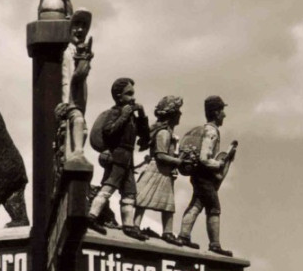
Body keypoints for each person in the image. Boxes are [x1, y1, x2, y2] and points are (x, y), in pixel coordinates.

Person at [165, 95, 236, 255]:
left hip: (197, 175)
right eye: (222, 111)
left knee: (196, 204)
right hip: (205, 176)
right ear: (216, 113)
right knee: (214, 208)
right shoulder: (211, 132)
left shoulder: (205, 129)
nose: (224, 115)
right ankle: (215, 245)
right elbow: (204, 158)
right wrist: (219, 164)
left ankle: (184, 236)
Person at [87, 77, 150, 236]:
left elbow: (144, 136)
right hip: (117, 156)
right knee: (109, 187)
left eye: (132, 93)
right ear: (118, 96)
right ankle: (92, 216)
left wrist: (142, 116)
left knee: (129, 193)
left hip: (128, 158)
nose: (132, 97)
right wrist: (123, 116)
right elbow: (109, 131)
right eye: (128, 94)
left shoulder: (133, 117)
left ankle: (128, 226)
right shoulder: (115, 112)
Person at [131, 95, 184, 240]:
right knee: (143, 199)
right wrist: (179, 161)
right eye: (178, 111)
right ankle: (135, 225)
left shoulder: (168, 133)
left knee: (168, 204)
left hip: (164, 172)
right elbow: (160, 155)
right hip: (157, 170)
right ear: (172, 115)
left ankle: (167, 232)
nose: (180, 114)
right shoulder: (164, 133)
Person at [61, 9, 93, 113]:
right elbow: (67, 79)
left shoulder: (82, 53)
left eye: (84, 26)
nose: (80, 30)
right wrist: (67, 106)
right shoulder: (66, 52)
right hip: (69, 108)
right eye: (76, 25)